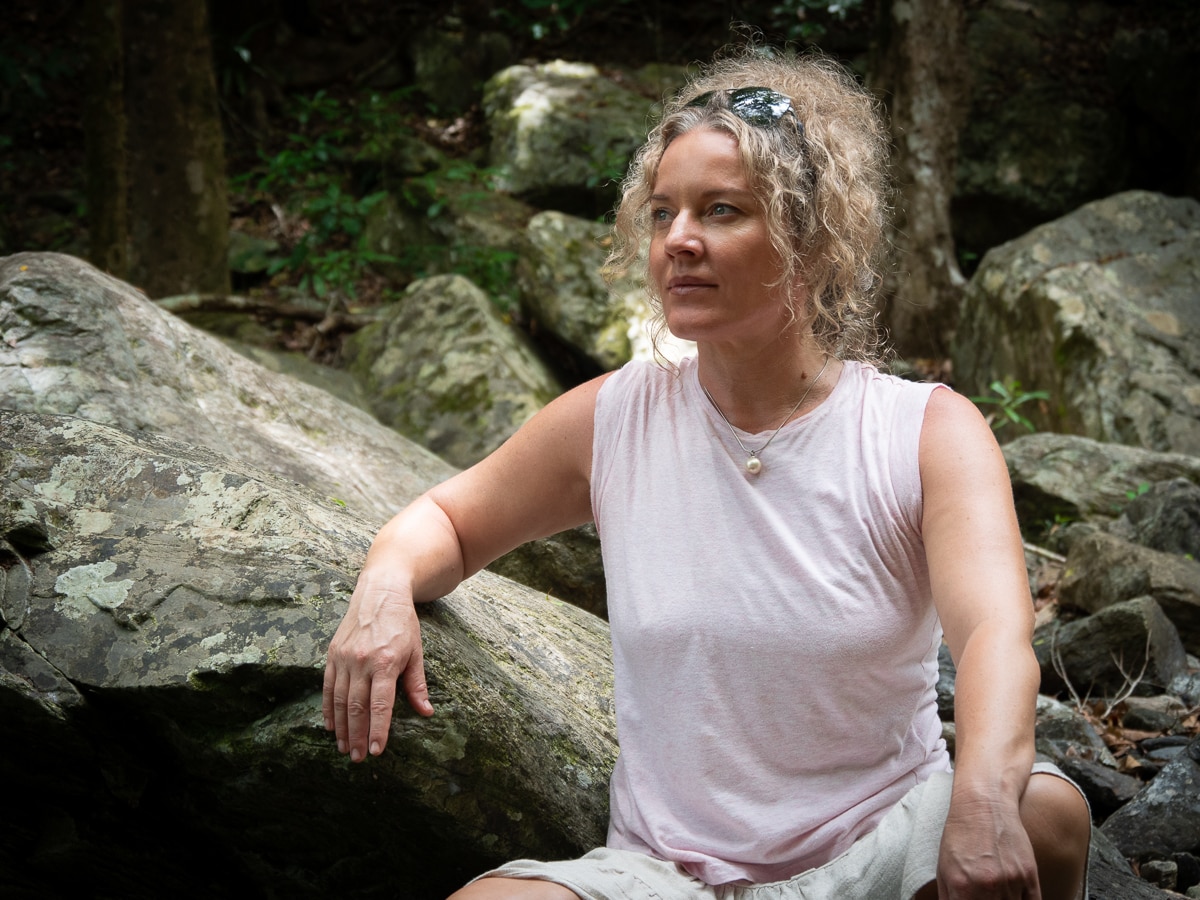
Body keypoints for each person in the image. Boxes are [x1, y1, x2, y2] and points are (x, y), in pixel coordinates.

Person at [323, 48, 1092, 900]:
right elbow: (452, 520)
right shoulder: (613, 419)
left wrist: (981, 806)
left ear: (812, 235)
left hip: (875, 853)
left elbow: (994, 638)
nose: (679, 240)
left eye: (720, 210)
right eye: (661, 214)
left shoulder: (924, 431)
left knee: (1045, 814)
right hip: (671, 879)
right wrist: (385, 584)